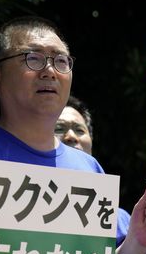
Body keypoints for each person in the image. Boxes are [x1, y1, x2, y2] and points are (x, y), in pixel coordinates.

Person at [0, 16, 146, 254]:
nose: (50, 71)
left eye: (60, 61)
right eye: (33, 58)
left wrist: (137, 240)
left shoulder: (89, 168)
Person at [55, 94, 130, 246]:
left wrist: (136, 242)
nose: (71, 136)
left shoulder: (121, 222)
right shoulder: (18, 202)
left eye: (79, 130)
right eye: (59, 128)